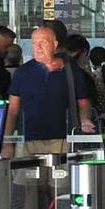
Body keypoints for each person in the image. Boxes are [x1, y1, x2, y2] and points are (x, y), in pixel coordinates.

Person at [6, 24, 93, 153]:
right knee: (27, 173)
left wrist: (85, 119)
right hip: (28, 141)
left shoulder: (70, 70)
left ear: (55, 44)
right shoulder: (22, 72)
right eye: (34, 43)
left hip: (63, 140)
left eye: (43, 42)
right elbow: (13, 110)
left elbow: (84, 103)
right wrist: (7, 143)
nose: (38, 47)